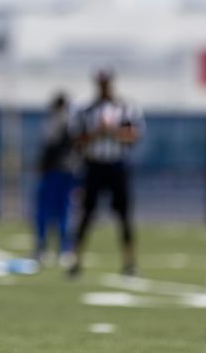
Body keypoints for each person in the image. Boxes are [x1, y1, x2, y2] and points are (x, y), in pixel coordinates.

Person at [68, 69, 144, 278]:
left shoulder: (126, 107)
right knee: (85, 214)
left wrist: (112, 132)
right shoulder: (83, 109)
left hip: (117, 165)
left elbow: (134, 135)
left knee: (124, 216)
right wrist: (97, 133)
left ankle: (129, 262)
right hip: (93, 165)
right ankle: (75, 258)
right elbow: (76, 139)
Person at [34, 92, 76, 265]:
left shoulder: (56, 122)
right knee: (63, 211)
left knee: (49, 211)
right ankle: (63, 249)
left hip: (55, 172)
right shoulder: (70, 122)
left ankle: (44, 248)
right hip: (65, 171)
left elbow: (49, 147)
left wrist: (42, 166)